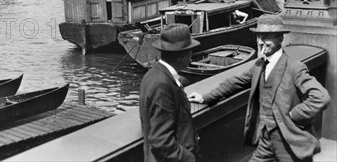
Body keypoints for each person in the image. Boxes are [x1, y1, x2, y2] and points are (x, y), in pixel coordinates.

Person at [188, 14, 330, 162]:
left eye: (267, 37)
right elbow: (234, 82)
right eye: (259, 36)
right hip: (265, 138)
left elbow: (320, 97)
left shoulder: (295, 68)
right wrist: (205, 97)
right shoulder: (259, 66)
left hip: (288, 141)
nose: (261, 42)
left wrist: (294, 115)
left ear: (280, 38)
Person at [140, 23, 201, 162]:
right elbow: (161, 141)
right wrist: (190, 158)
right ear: (182, 55)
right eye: (190, 52)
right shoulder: (162, 84)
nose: (191, 57)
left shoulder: (154, 75)